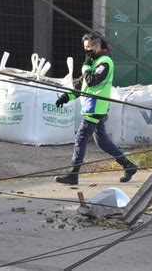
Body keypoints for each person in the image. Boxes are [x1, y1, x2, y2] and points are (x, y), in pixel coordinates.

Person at [54, 33, 138, 185]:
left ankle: (73, 175)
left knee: (81, 138)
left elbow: (91, 81)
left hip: (95, 108)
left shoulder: (105, 62)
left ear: (97, 45)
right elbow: (82, 85)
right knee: (102, 142)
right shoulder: (94, 62)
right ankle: (128, 165)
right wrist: (66, 97)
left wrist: (85, 66)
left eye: (89, 47)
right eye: (85, 48)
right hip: (92, 107)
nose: (86, 51)